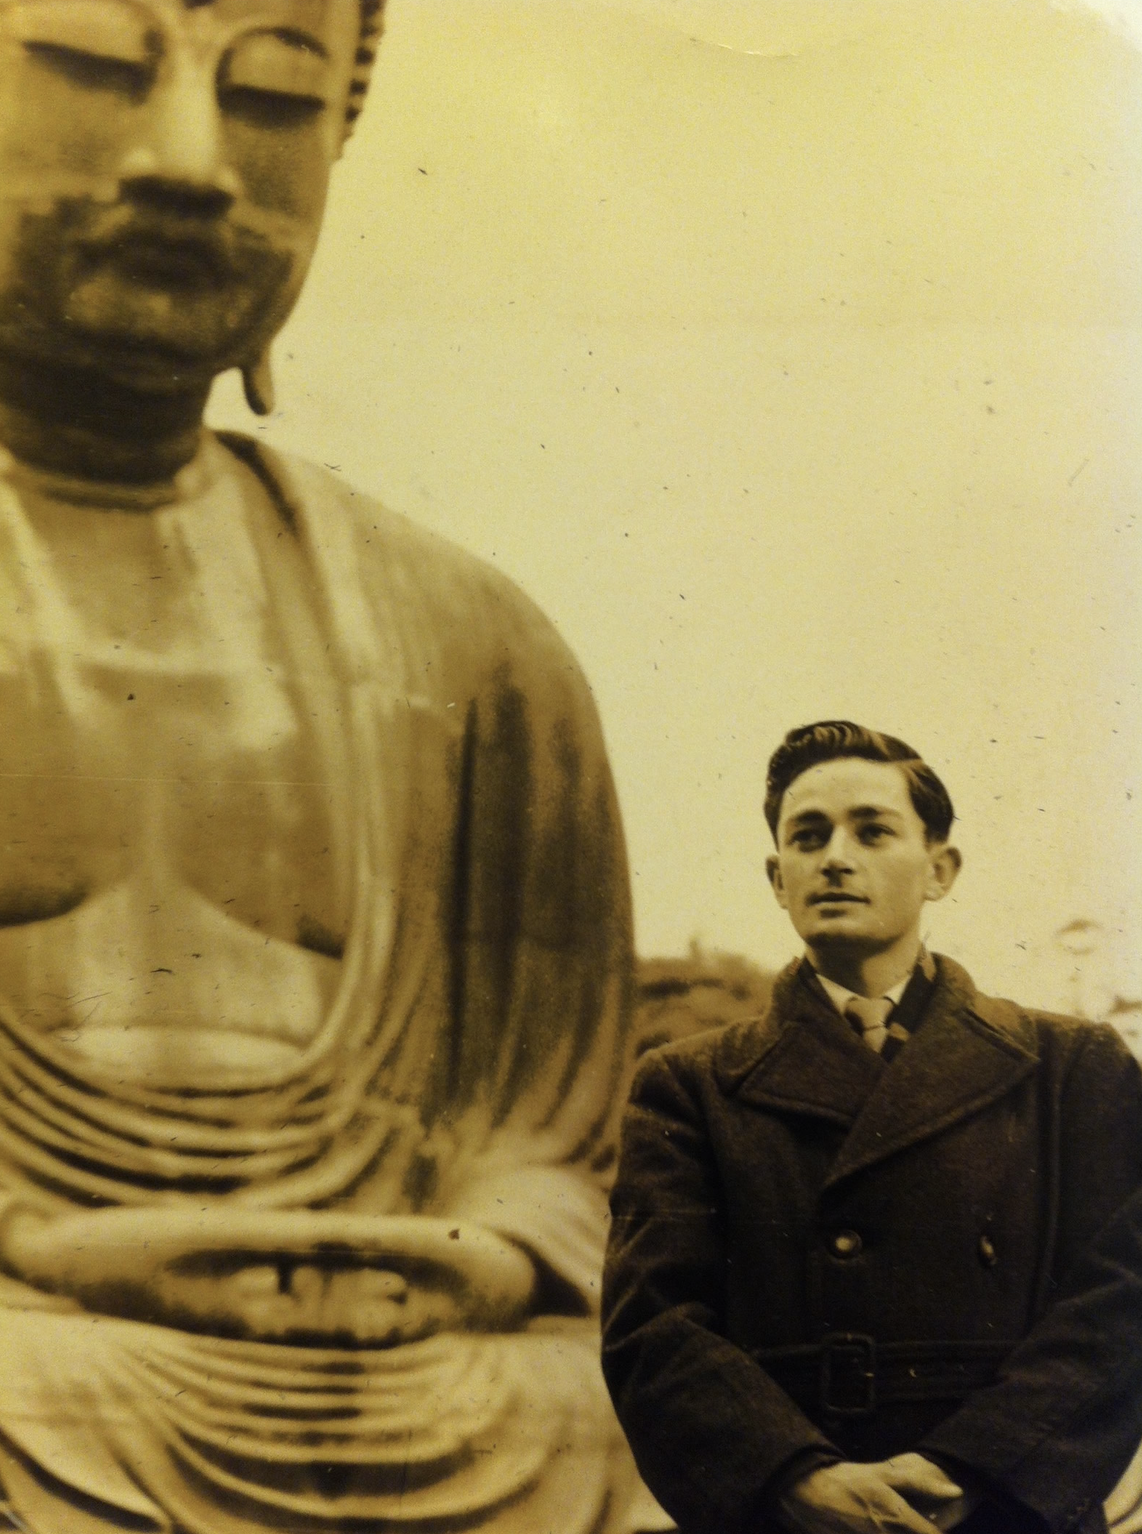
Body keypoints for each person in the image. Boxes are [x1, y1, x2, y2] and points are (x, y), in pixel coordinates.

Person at [0, 3, 662, 1531]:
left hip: (412, 1381)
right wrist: (55, 1244)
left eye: (276, 93)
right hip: (31, 1342)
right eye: (99, 66)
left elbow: (545, 1142)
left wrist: (484, 1250)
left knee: (585, 1414)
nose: (189, 162)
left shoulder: (474, 646)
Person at [602, 721, 1142, 1534]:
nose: (836, 857)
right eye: (808, 836)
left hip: (1001, 1508)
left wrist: (971, 1466)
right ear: (777, 877)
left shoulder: (1072, 1068)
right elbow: (654, 1326)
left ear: (940, 869)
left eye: (873, 829)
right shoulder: (689, 1086)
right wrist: (792, 1477)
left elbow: (1120, 1302)